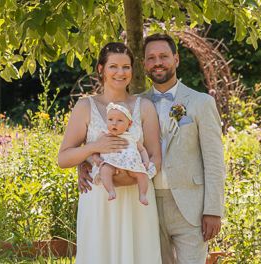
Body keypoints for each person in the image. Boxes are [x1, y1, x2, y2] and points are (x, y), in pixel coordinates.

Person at [78, 33, 226, 264]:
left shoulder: (201, 102)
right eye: (151, 58)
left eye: (164, 56)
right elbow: (115, 141)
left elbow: (215, 161)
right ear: (144, 64)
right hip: (147, 206)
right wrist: (84, 163)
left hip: (190, 209)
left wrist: (213, 210)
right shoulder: (134, 105)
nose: (157, 62)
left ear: (176, 60)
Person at [58, 42, 162, 264]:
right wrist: (94, 148)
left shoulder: (144, 107)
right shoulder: (86, 107)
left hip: (138, 200)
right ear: (100, 69)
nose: (120, 72)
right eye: (113, 66)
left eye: (126, 67)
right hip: (100, 201)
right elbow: (64, 158)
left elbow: (155, 157)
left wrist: (135, 176)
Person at [91, 101, 152, 205]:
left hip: (131, 165)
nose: (114, 123)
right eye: (110, 119)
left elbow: (142, 150)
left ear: (129, 124)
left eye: (119, 120)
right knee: (105, 170)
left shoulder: (133, 136)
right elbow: (95, 149)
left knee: (142, 174)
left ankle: (142, 194)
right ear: (106, 120)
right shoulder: (104, 135)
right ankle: (110, 190)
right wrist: (97, 159)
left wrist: (145, 161)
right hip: (111, 163)